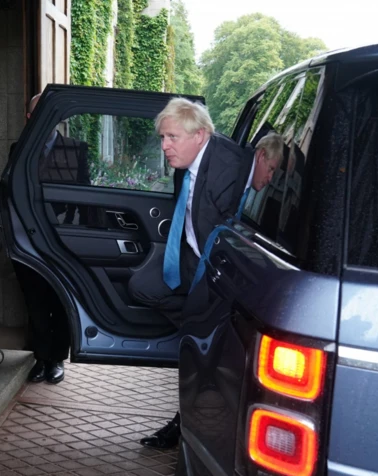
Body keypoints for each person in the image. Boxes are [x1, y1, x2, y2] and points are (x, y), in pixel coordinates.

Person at [128, 98, 253, 450]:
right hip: (191, 259)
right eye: (162, 137)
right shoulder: (187, 162)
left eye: (171, 137)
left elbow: (232, 235)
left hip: (220, 272)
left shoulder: (229, 168)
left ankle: (185, 423)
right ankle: (196, 332)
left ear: (200, 135)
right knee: (142, 285)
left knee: (201, 347)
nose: (164, 145)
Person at [8, 93, 91, 384]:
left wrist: (86, 238)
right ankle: (41, 359)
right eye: (37, 113)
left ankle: (57, 359)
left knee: (60, 301)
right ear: (30, 118)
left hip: (62, 241)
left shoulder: (76, 150)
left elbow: (86, 197)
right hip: (27, 242)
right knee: (36, 303)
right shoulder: (18, 149)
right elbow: (9, 193)